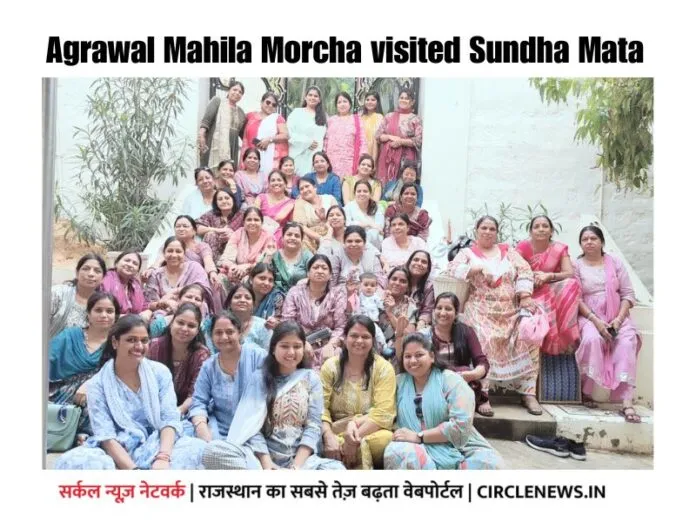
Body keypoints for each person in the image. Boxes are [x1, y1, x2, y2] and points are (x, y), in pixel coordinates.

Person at [54, 315, 207, 470]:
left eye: (144, 340)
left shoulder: (159, 373)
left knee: (197, 450)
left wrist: (163, 457)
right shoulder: (98, 384)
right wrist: (133, 471)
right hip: (117, 449)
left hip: (158, 442)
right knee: (74, 461)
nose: (139, 346)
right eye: (131, 340)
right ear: (115, 342)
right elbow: (106, 436)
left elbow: (169, 419)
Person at [206, 322, 346, 470]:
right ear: (273, 348)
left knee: (337, 470)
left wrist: (296, 467)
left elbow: (313, 426)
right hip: (259, 460)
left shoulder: (311, 378)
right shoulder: (259, 378)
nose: (291, 352)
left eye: (297, 346)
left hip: (301, 461)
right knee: (213, 451)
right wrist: (267, 464)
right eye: (285, 346)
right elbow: (251, 427)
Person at [446, 216, 543, 415]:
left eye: (492, 229)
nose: (488, 232)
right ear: (477, 231)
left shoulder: (509, 253)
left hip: (510, 310)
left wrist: (524, 296)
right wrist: (477, 268)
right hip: (480, 309)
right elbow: (452, 269)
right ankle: (483, 395)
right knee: (484, 338)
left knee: (530, 338)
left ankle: (528, 393)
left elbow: (525, 271)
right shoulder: (467, 253)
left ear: (496, 232)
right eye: (484, 228)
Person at [383, 333, 504, 470]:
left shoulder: (451, 380)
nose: (413, 361)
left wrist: (420, 436)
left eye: (419, 355)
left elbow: (460, 426)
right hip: (412, 444)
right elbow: (385, 412)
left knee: (490, 463)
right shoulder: (398, 383)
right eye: (407, 356)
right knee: (399, 453)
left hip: (457, 444)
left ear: (432, 357)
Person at [574, 225, 642, 422]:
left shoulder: (615, 263)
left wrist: (618, 320)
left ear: (602, 242)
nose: (589, 242)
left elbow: (628, 295)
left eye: (593, 238)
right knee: (591, 340)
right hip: (589, 315)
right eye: (585, 239)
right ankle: (586, 392)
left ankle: (627, 403)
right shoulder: (576, 265)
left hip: (617, 316)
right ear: (580, 244)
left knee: (627, 343)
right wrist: (596, 321)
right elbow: (576, 298)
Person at [320, 316, 396, 469]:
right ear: (345, 338)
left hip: (370, 430)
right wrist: (329, 437)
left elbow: (384, 413)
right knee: (319, 440)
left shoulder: (383, 368)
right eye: (354, 335)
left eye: (365, 337)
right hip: (335, 431)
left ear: (373, 340)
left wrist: (352, 440)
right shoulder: (331, 366)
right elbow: (321, 409)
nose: (359, 341)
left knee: (386, 439)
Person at [49, 292, 120, 438]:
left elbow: (121, 373)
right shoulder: (70, 335)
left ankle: (79, 433)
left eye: (109, 311)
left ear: (116, 315)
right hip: (60, 393)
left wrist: (91, 383)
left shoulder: (118, 342)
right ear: (88, 313)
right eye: (98, 310)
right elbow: (46, 361)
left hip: (98, 394)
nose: (104, 315)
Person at [190, 312, 267, 443]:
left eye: (230, 332)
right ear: (211, 336)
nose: (224, 337)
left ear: (240, 332)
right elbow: (199, 402)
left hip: (255, 428)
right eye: (218, 333)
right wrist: (202, 428)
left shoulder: (258, 357)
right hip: (220, 428)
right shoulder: (209, 367)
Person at [415, 293, 492, 416]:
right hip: (435, 380)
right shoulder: (425, 335)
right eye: (439, 308)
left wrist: (473, 374)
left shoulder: (466, 332)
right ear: (433, 311)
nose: (443, 313)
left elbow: (481, 360)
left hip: (462, 379)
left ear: (456, 313)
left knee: (471, 376)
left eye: (448, 309)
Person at [516, 215, 582, 355]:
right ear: (530, 231)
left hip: (548, 287)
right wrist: (531, 278)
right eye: (537, 226)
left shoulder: (559, 248)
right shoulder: (522, 247)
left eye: (545, 226)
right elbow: (513, 269)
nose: (541, 229)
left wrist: (549, 276)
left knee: (571, 284)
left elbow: (569, 273)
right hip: (527, 289)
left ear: (551, 231)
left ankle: (565, 336)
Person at [282, 254, 348, 368]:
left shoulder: (337, 294)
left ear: (330, 275)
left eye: (324, 268)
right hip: (298, 343)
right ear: (308, 273)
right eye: (316, 267)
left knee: (336, 356)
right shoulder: (295, 292)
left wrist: (331, 345)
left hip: (328, 344)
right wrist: (302, 342)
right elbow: (288, 322)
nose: (320, 271)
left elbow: (341, 326)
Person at [147, 304, 210, 419]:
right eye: (180, 323)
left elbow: (196, 394)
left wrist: (177, 412)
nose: (184, 329)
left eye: (191, 326)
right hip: (151, 408)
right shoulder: (153, 346)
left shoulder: (201, 355)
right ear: (172, 323)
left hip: (186, 412)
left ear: (197, 331)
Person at [143, 237, 213, 316]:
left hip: (193, 312)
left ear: (184, 254)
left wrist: (176, 291)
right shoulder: (156, 275)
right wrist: (165, 303)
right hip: (164, 314)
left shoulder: (194, 268)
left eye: (178, 251)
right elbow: (149, 304)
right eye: (170, 251)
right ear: (164, 253)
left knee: (202, 306)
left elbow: (202, 291)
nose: (174, 255)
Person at [50, 253, 107, 338]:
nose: (91, 274)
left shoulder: (103, 304)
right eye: (86, 269)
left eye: (97, 271)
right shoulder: (58, 294)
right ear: (77, 273)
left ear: (103, 278)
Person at [375, 88, 423, 185]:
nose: (403, 100)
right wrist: (389, 137)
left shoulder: (415, 119)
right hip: (387, 158)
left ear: (412, 101)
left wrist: (401, 142)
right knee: (385, 185)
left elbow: (418, 141)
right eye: (401, 97)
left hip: (406, 159)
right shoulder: (389, 116)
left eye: (406, 98)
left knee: (403, 185)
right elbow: (378, 136)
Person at [218, 207, 276, 285]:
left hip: (257, 274)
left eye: (256, 220)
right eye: (249, 220)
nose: (252, 223)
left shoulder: (269, 238)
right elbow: (227, 256)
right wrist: (234, 268)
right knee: (219, 280)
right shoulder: (238, 233)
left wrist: (247, 267)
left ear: (261, 222)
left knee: (247, 281)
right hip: (234, 271)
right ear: (244, 222)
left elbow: (265, 262)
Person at [198, 80, 246, 171]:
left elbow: (244, 135)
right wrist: (201, 136)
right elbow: (206, 121)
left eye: (240, 92)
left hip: (232, 148)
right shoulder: (217, 101)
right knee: (208, 173)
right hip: (213, 144)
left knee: (227, 173)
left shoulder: (241, 113)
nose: (237, 93)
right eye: (234, 90)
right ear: (229, 90)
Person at [240, 92, 289, 174]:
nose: (270, 106)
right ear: (261, 102)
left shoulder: (277, 118)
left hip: (268, 157)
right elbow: (240, 129)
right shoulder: (250, 116)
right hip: (250, 155)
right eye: (268, 102)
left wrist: (269, 140)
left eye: (274, 105)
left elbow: (286, 135)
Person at [323, 91, 368, 178]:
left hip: (350, 161)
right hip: (332, 160)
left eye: (345, 101)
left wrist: (362, 159)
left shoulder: (357, 120)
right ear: (336, 105)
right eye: (339, 102)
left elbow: (363, 141)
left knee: (347, 185)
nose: (342, 104)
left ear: (350, 104)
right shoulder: (331, 120)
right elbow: (326, 139)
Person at [220, 283, 273, 352]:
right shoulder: (220, 324)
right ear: (230, 303)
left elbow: (268, 355)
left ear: (253, 305)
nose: (242, 300)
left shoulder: (263, 326)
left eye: (247, 298)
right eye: (237, 297)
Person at [287, 86, 327, 176]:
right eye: (310, 95)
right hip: (299, 154)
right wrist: (307, 142)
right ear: (305, 97)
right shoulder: (297, 113)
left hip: (315, 159)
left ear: (319, 99)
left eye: (316, 96)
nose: (312, 98)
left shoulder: (323, 117)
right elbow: (289, 133)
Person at [196, 189, 244, 264]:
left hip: (235, 250)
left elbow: (250, 231)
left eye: (227, 198)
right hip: (215, 253)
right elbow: (197, 228)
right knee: (210, 234)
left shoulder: (242, 214)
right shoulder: (211, 214)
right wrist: (219, 230)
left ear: (233, 200)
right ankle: (214, 267)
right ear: (216, 203)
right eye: (220, 199)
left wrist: (233, 236)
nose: (224, 201)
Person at [292, 176, 339, 252]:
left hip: (333, 232)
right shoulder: (300, 203)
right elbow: (300, 226)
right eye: (301, 189)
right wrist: (320, 238)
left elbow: (337, 216)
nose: (305, 190)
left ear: (315, 187)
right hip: (312, 238)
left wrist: (326, 224)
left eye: (307, 186)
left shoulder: (330, 199)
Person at [378, 267, 418, 352]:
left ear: (408, 287)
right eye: (394, 279)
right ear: (388, 281)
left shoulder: (409, 305)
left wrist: (390, 314)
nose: (397, 283)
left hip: (399, 350)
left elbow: (410, 336)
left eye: (403, 281)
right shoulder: (376, 299)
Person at [346, 272, 387, 352]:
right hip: (360, 321)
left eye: (372, 285)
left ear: (376, 288)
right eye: (366, 285)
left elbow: (382, 306)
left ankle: (384, 347)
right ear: (360, 285)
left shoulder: (376, 297)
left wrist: (384, 299)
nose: (369, 288)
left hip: (372, 322)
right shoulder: (358, 296)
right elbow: (353, 304)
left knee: (379, 333)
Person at [254, 170, 295, 247]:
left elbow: (292, 224)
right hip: (259, 231)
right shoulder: (261, 197)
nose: (276, 183)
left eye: (279, 180)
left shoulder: (291, 202)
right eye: (273, 180)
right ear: (269, 185)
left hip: (280, 235)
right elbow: (253, 215)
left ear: (285, 184)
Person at [271, 222, 314, 294]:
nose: (293, 238)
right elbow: (262, 274)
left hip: (301, 296)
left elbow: (315, 275)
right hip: (276, 298)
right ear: (282, 237)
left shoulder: (307, 256)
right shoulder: (275, 255)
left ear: (301, 240)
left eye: (297, 236)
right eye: (289, 234)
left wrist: (304, 281)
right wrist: (268, 256)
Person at [101, 250, 147, 316]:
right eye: (127, 260)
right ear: (116, 263)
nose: (130, 265)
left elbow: (144, 306)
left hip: (132, 323)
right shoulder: (106, 279)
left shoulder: (136, 284)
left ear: (137, 271)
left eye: (135, 263)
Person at [344, 180, 385, 249]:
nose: (362, 194)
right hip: (355, 239)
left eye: (365, 191)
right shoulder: (349, 207)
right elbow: (348, 224)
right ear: (354, 193)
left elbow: (379, 227)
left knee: (373, 232)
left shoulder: (378, 207)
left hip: (375, 241)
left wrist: (359, 225)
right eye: (359, 191)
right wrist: (368, 224)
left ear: (370, 194)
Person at [405, 250, 435, 330]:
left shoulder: (429, 286)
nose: (419, 263)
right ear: (409, 263)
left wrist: (420, 324)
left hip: (417, 324)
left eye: (424, 262)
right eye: (416, 260)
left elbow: (427, 310)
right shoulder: (400, 278)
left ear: (428, 269)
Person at [248, 263, 284, 329]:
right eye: (262, 278)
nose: (267, 283)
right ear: (251, 280)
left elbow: (280, 322)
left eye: (270, 280)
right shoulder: (242, 295)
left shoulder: (277, 297)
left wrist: (275, 323)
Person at [360, 91, 384, 164]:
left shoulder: (380, 118)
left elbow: (377, 139)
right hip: (361, 151)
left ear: (377, 102)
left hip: (374, 152)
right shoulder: (360, 117)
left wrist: (374, 159)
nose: (370, 102)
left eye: (373, 100)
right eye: (367, 100)